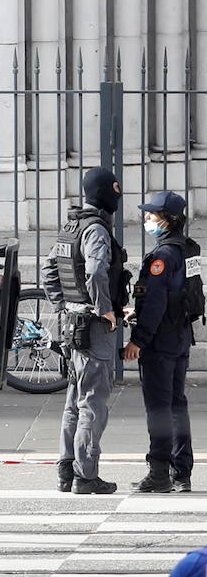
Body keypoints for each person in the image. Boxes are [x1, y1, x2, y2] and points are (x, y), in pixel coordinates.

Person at [41, 167, 128, 495]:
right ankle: (86, 474)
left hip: (72, 325)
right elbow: (94, 272)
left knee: (74, 400)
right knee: (93, 402)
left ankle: (67, 469)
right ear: (105, 191)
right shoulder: (96, 230)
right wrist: (104, 308)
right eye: (116, 188)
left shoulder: (71, 226)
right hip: (93, 327)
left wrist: (63, 305)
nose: (119, 194)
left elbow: (50, 270)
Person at [124, 190, 197, 493]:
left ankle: (158, 472)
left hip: (160, 341)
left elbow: (155, 301)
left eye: (152, 215)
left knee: (159, 407)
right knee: (177, 404)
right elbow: (178, 295)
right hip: (181, 335)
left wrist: (138, 340)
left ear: (168, 220)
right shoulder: (188, 249)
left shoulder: (162, 257)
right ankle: (182, 471)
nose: (146, 219)